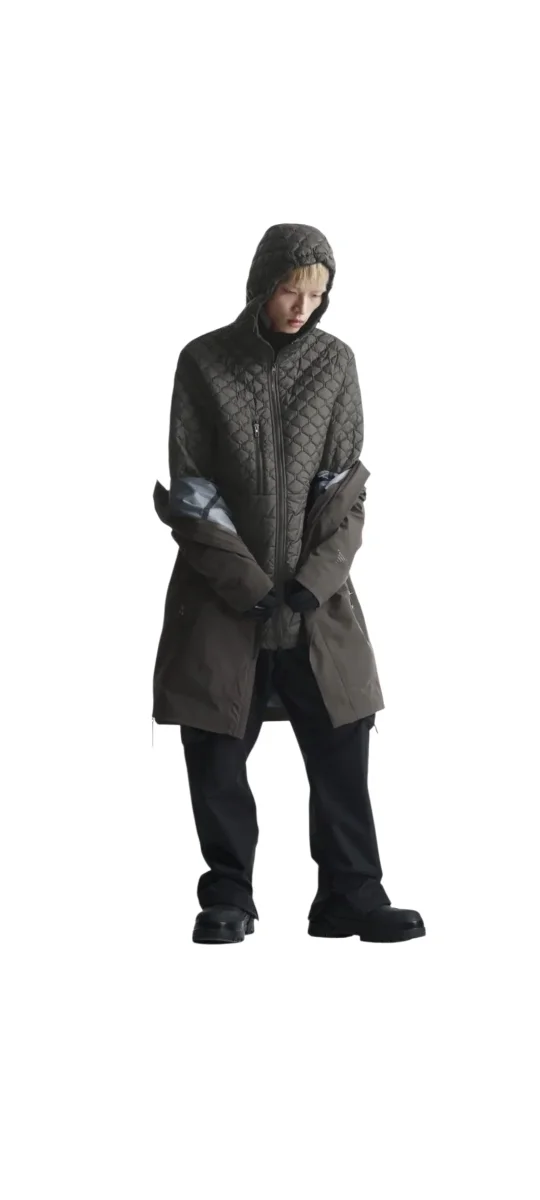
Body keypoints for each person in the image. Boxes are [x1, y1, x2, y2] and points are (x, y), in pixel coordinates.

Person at [152, 222, 425, 946]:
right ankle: (228, 897)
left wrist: (312, 582)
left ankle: (350, 896)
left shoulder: (335, 364)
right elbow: (192, 489)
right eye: (289, 290)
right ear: (261, 285)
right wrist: (245, 582)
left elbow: (346, 490)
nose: (302, 307)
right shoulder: (204, 361)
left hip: (315, 603)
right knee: (214, 745)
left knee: (343, 736)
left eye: (316, 294)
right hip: (221, 599)